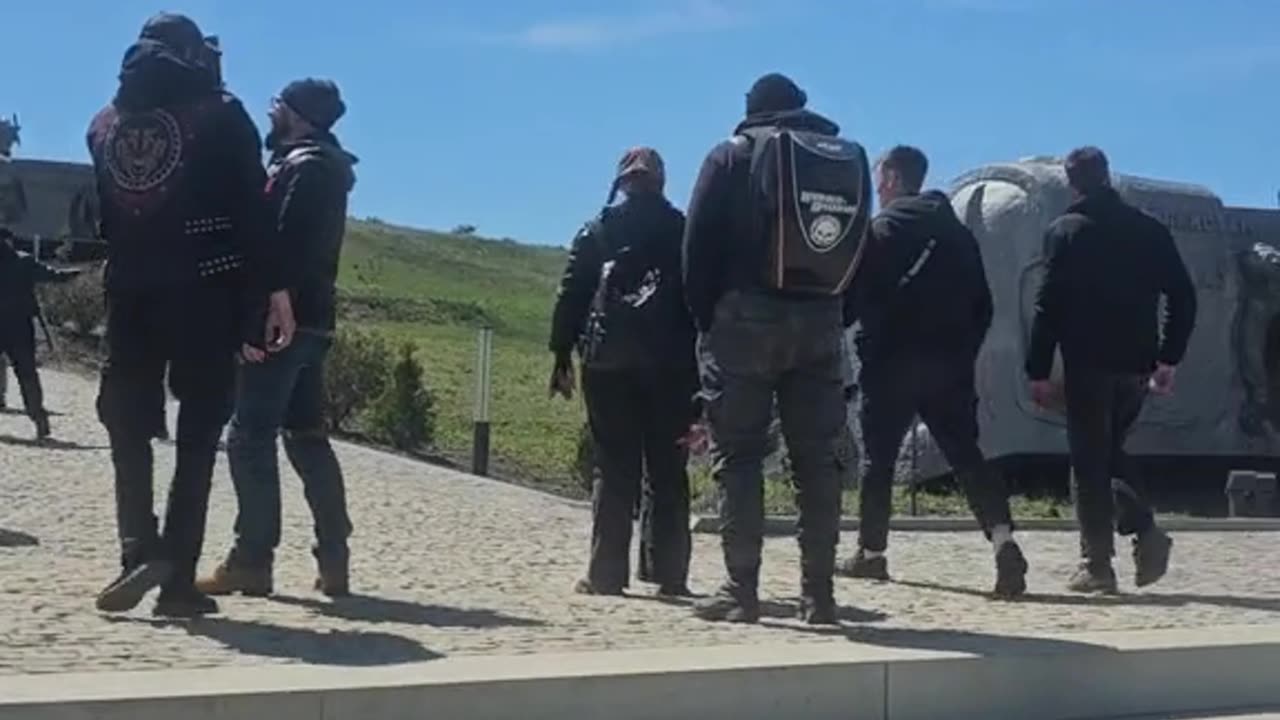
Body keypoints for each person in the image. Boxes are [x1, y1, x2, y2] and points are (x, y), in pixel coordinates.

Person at [86, 13, 288, 617]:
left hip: (128, 289)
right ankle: (176, 583)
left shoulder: (102, 123)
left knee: (127, 422)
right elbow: (255, 214)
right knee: (199, 435)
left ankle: (136, 549)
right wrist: (272, 291)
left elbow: (105, 219)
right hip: (207, 290)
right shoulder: (222, 115)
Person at [683, 73, 871, 625]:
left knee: (739, 456)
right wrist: (837, 314)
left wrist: (707, 321)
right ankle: (819, 597)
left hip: (742, 322)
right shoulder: (842, 163)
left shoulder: (731, 157)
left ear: (752, 110)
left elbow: (695, 249)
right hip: (820, 322)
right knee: (816, 463)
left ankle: (741, 591)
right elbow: (862, 245)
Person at [835, 146, 1027, 598]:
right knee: (966, 455)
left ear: (895, 179)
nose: (879, 188)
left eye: (881, 179)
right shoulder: (959, 235)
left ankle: (871, 553)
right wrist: (963, 353)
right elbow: (985, 306)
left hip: (890, 364)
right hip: (949, 366)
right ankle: (1003, 539)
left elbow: (851, 301)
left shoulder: (881, 231)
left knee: (877, 462)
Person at [198, 78, 358, 599]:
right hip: (316, 319)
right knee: (306, 436)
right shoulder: (326, 167)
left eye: (278, 105)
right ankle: (334, 556)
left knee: (249, 436)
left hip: (283, 319)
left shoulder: (302, 168)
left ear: (297, 113)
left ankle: (252, 557)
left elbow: (281, 248)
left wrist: (260, 312)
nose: (270, 112)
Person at [1025, 146, 1195, 593]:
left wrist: (1038, 368)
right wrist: (1168, 358)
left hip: (1087, 361)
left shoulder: (1065, 232)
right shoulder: (1149, 231)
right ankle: (1142, 534)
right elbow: (1183, 295)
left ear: (1072, 181)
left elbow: (1048, 305)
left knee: (1089, 460)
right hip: (1136, 363)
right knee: (1109, 452)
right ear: (1108, 176)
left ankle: (1099, 564)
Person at [549, 147, 698, 598]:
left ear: (622, 182)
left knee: (613, 467)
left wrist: (560, 358)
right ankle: (669, 574)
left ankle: (605, 575)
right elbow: (700, 299)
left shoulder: (596, 230)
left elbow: (571, 296)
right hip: (672, 366)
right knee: (669, 469)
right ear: (662, 182)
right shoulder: (683, 231)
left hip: (607, 364)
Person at [0, 228, 81, 439]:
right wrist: (79, 272)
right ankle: (38, 417)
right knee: (27, 374)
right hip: (19, 325)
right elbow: (55, 276)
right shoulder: (24, 261)